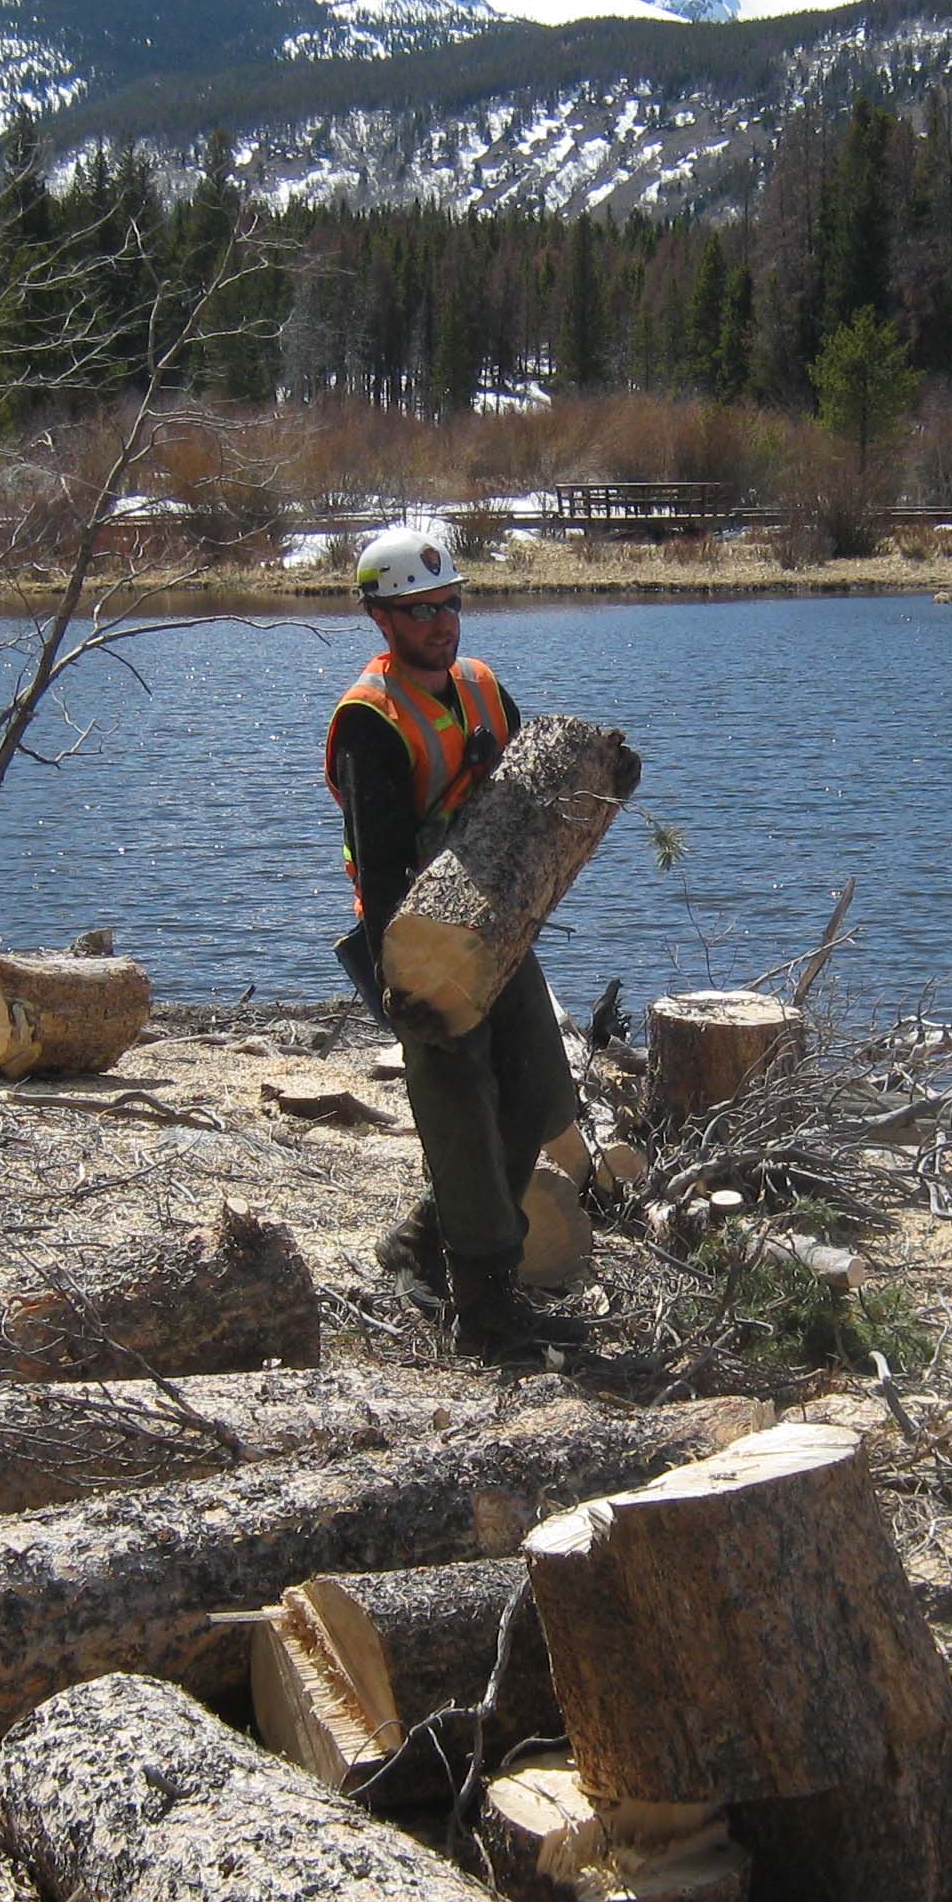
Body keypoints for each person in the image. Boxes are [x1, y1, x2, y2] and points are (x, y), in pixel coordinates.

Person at [327, 525, 588, 1361]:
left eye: (448, 604)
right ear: (382, 619)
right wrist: (407, 994)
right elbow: (381, 863)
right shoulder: (370, 719)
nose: (441, 623)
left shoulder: (481, 687)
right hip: (419, 950)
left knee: (543, 1095)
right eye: (418, 611)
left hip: (497, 928)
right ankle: (483, 1306)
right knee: (461, 1111)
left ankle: (421, 1239)